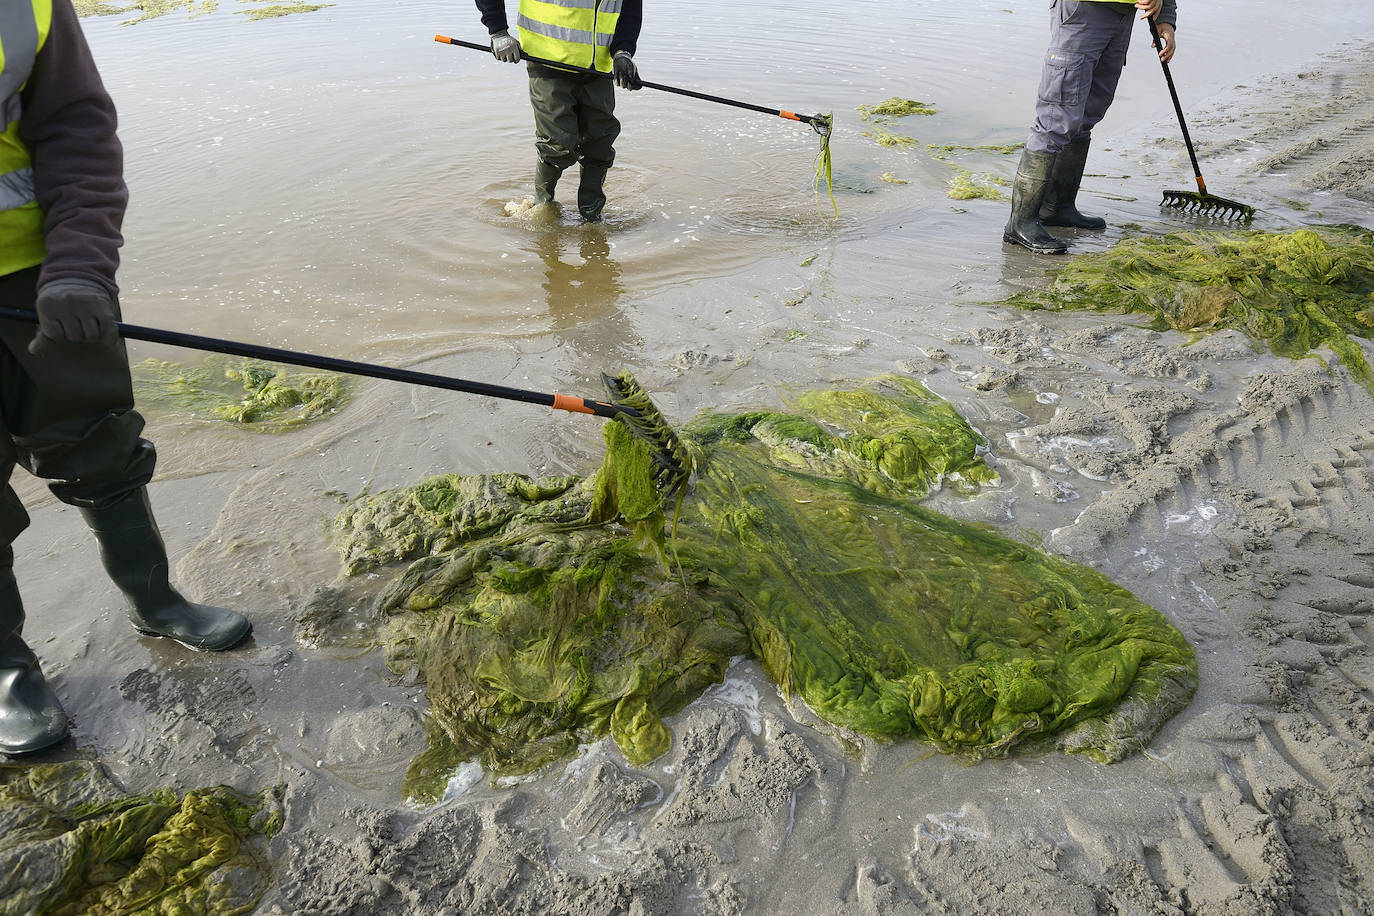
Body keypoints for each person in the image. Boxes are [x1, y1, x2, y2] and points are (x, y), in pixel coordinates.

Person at [1, 0, 251, 756]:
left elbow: (77, 130)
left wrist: (80, 265)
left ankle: (155, 600)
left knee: (101, 447)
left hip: (41, 281)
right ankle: (9, 671)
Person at [1004, 0, 1177, 254]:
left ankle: (1058, 207)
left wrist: (1167, 16)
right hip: (1083, 11)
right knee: (1055, 118)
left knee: (1087, 114)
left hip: (1123, 16)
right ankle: (1020, 223)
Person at [475, 0, 644, 222]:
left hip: (598, 68)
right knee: (557, 143)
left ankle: (592, 218)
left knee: (600, 142)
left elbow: (630, 8)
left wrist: (623, 52)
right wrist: (498, 31)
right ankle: (540, 209)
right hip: (547, 60)